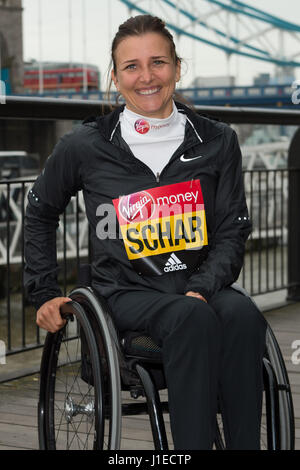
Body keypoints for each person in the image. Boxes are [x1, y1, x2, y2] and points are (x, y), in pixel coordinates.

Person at [24, 14, 267, 450]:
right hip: (125, 293)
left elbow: (232, 230)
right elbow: (40, 213)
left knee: (244, 314)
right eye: (132, 66)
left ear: (177, 67)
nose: (147, 77)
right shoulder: (85, 145)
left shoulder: (217, 140)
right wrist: (43, 292)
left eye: (158, 62)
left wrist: (201, 288)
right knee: (192, 317)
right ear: (115, 77)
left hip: (198, 286)